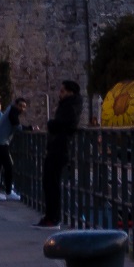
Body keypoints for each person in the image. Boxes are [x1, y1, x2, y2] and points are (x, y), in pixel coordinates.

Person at [39, 80, 83, 228]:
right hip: (58, 147)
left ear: (70, 92)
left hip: (60, 147)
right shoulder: (70, 105)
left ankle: (52, 218)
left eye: (63, 91)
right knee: (49, 182)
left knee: (51, 183)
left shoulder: (70, 106)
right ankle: (51, 216)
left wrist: (52, 124)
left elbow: (65, 124)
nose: (60, 93)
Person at [0, 96, 24, 200]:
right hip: (1, 143)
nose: (22, 109)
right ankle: (7, 191)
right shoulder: (13, 111)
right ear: (16, 105)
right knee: (8, 167)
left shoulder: (10, 110)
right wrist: (30, 128)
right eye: (21, 106)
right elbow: (17, 126)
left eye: (24, 107)